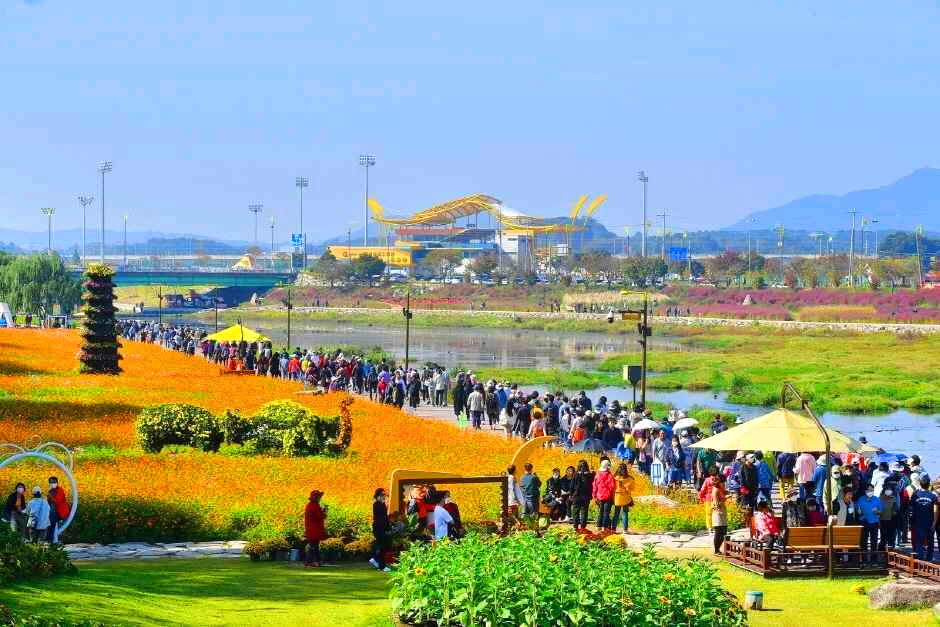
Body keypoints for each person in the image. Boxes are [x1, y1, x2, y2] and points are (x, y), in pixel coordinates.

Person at [909, 475, 939, 561]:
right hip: (929, 522)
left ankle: (920, 559)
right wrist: (934, 523)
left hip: (918, 522)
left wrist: (911, 522)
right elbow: (935, 511)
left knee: (919, 542)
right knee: (930, 542)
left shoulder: (915, 495)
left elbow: (911, 509)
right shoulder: (932, 496)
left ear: (920, 484)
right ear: (929, 484)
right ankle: (929, 558)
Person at [369, 488, 392, 573]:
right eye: (382, 495)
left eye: (384, 495)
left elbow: (385, 518)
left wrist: (388, 528)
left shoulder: (381, 505)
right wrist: (387, 528)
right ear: (378, 496)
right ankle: (382, 566)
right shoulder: (377, 505)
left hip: (380, 528)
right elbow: (382, 518)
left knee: (382, 546)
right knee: (382, 547)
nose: (384, 497)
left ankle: (375, 559)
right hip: (379, 529)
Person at [855, 485, 883, 554]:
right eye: (869, 490)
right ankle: (864, 560)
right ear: (865, 491)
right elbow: (857, 510)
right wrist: (859, 512)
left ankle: (873, 559)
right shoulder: (861, 499)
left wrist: (877, 512)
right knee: (864, 542)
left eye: (872, 490)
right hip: (864, 522)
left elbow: (881, 511)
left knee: (874, 541)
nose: (870, 492)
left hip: (874, 522)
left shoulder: (876, 499)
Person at [304, 490, 328, 567]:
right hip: (314, 530)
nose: (320, 498)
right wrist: (325, 512)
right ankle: (313, 562)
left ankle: (312, 562)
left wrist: (322, 512)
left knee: (313, 546)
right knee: (314, 547)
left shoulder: (310, 505)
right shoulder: (315, 506)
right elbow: (320, 517)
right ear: (316, 498)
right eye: (319, 497)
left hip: (311, 529)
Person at [592, 459, 616, 530]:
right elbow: (612, 487)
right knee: (606, 512)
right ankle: (604, 527)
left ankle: (598, 526)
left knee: (600, 511)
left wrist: (594, 495)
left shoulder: (597, 475)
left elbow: (594, 486)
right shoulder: (609, 475)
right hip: (608, 496)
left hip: (599, 496)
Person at [571, 460, 594, 530]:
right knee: (584, 512)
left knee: (575, 512)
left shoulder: (576, 475)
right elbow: (592, 486)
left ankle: (575, 527)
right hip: (586, 496)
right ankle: (583, 527)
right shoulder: (590, 475)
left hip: (576, 495)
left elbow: (571, 486)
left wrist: (571, 495)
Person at [612, 463, 635, 534]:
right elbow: (632, 488)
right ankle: (625, 529)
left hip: (617, 497)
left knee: (616, 513)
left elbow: (612, 487)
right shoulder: (629, 478)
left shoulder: (614, 477)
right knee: (625, 513)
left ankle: (613, 528)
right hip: (625, 497)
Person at [46, 476, 69, 544]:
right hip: (54, 512)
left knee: (52, 521)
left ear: (57, 482)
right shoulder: (50, 491)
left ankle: (50, 539)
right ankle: (49, 538)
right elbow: (49, 503)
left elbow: (57, 501)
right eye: (51, 482)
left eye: (54, 482)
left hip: (61, 512)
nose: (52, 483)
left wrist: (50, 497)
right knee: (47, 520)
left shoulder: (60, 490)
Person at [878, 481, 900, 550]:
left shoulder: (894, 495)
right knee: (885, 538)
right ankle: (884, 553)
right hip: (884, 519)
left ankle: (888, 554)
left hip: (890, 519)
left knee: (889, 538)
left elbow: (897, 507)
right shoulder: (882, 496)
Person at [711, 474, 728, 555]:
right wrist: (725, 498)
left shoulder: (720, 488)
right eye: (723, 482)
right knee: (719, 532)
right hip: (718, 513)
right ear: (719, 482)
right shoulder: (716, 490)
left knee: (724, 531)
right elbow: (717, 505)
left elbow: (724, 493)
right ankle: (716, 550)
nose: (724, 484)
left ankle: (718, 549)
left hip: (722, 512)